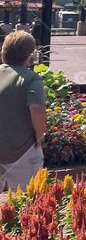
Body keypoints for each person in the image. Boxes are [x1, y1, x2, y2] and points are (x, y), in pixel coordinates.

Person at [0, 31, 46, 192]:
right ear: (29, 54)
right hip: (22, 149)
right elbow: (37, 109)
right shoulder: (31, 78)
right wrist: (41, 135)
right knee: (28, 198)